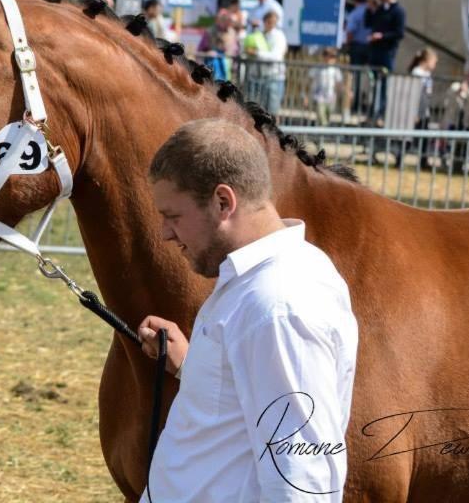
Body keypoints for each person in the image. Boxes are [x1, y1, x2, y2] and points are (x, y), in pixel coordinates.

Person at [140, 118, 358, 503]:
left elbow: (303, 483)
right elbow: (250, 404)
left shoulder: (278, 306)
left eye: (173, 216)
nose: (165, 233)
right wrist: (195, 367)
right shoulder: (259, 285)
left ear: (223, 202)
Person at [245, 10, 287, 116]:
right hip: (261, 78)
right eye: (268, 21)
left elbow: (276, 56)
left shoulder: (279, 36)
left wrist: (256, 52)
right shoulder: (260, 35)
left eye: (273, 22)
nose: (270, 24)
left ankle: (274, 132)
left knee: (273, 112)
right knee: (261, 111)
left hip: (274, 78)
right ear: (264, 22)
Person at [309, 47, 344, 126]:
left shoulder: (335, 69)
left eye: (333, 57)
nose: (331, 59)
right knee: (321, 115)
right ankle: (322, 131)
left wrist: (341, 93)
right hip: (319, 95)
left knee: (328, 115)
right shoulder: (318, 67)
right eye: (330, 56)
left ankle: (323, 131)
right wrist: (308, 95)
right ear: (324, 57)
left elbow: (339, 82)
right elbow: (310, 79)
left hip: (331, 96)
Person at [344, 0, 371, 66]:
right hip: (371, 46)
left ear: (355, 1)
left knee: (356, 72)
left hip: (357, 47)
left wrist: (347, 44)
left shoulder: (355, 13)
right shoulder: (373, 12)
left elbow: (350, 31)